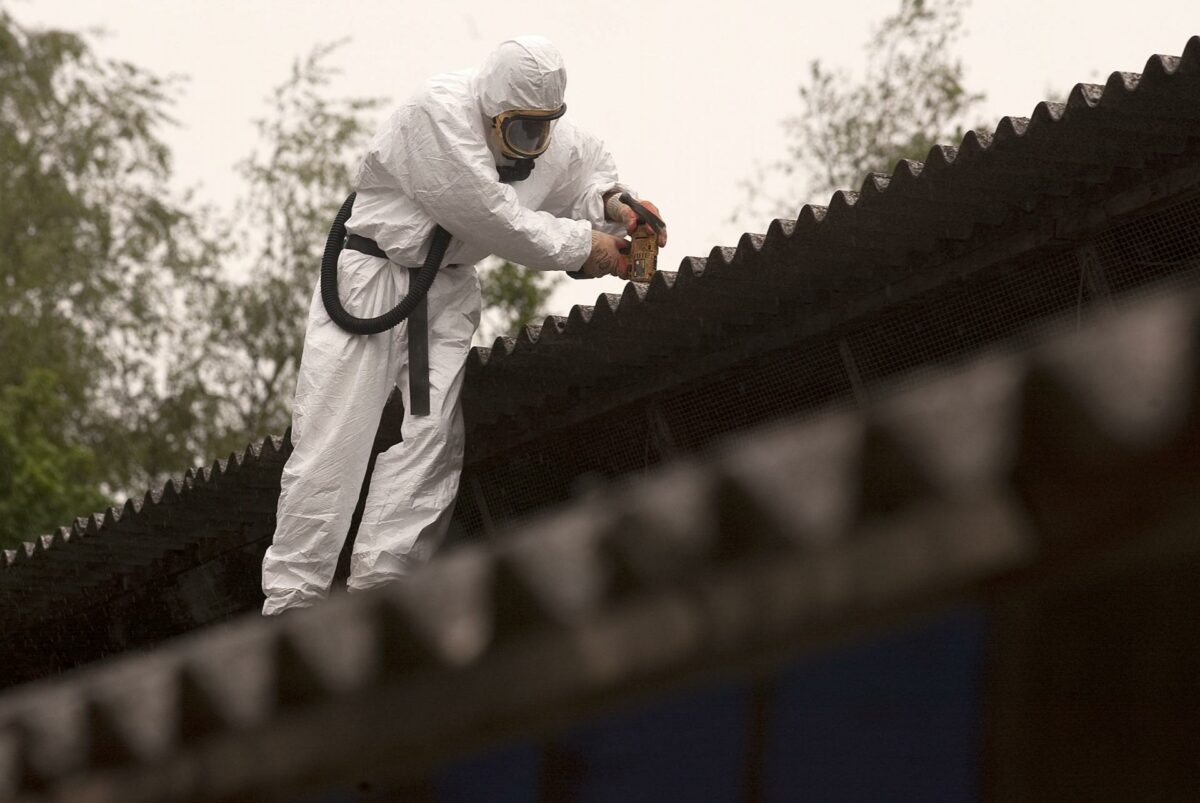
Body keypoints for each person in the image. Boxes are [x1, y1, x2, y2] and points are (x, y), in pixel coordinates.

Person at [260, 35, 668, 615]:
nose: (533, 144)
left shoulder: (544, 132)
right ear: (490, 108)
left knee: (430, 441)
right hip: (373, 277)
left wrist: (617, 203)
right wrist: (588, 248)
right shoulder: (437, 114)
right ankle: (292, 609)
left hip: (442, 291)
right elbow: (494, 216)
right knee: (333, 439)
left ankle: (383, 604)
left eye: (542, 127)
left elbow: (587, 170)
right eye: (521, 130)